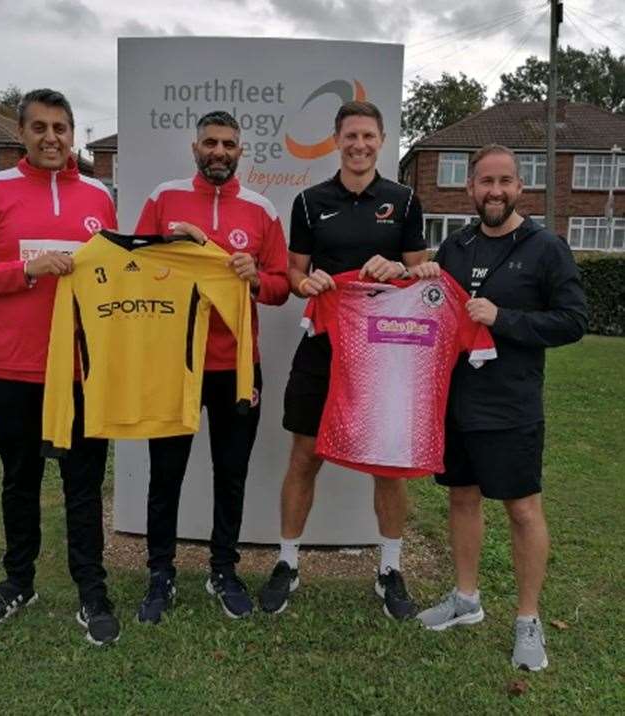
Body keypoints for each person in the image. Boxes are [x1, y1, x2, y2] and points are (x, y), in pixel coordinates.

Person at [0, 88, 121, 646]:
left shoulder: (99, 195)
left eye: (61, 128)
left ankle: (92, 590)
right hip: (13, 370)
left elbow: (112, 278)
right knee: (19, 482)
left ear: (73, 135)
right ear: (21, 133)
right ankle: (18, 581)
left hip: (81, 371)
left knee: (84, 485)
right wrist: (27, 270)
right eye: (40, 128)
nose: (52, 138)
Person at [414, 144, 587, 671]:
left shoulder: (545, 247)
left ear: (520, 188)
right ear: (470, 188)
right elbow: (437, 307)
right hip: (457, 401)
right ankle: (466, 599)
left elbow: (573, 320)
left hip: (511, 405)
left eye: (505, 182)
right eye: (485, 182)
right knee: (462, 499)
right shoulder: (457, 246)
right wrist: (418, 281)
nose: (495, 191)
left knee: (522, 509)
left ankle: (528, 619)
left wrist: (503, 318)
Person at [258, 100, 428, 618]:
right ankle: (288, 562)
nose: (359, 146)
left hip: (385, 352)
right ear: (336, 140)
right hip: (323, 347)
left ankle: (390, 569)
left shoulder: (405, 200)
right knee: (305, 455)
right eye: (350, 136)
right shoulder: (310, 202)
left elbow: (421, 276)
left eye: (368, 137)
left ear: (381, 140)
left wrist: (396, 268)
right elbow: (293, 273)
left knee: (388, 464)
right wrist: (305, 283)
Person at [133, 110, 290, 622]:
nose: (218, 151)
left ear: (241, 151)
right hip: (174, 363)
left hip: (238, 365)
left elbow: (282, 284)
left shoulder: (262, 209)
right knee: (166, 473)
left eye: (228, 144)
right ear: (194, 147)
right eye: (210, 143)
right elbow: (133, 267)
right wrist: (168, 257)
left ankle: (224, 569)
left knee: (232, 472)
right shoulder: (164, 198)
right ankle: (161, 573)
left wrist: (254, 278)